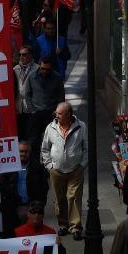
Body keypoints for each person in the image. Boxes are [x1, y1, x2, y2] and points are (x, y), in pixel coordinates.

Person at [40, 102, 87, 240]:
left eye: (59, 113)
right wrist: (49, 166)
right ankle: (63, 225)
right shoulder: (51, 127)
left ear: (69, 114)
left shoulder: (81, 126)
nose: (56, 115)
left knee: (74, 198)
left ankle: (76, 227)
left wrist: (82, 165)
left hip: (75, 170)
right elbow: (45, 148)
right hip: (57, 170)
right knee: (59, 199)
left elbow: (86, 148)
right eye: (56, 113)